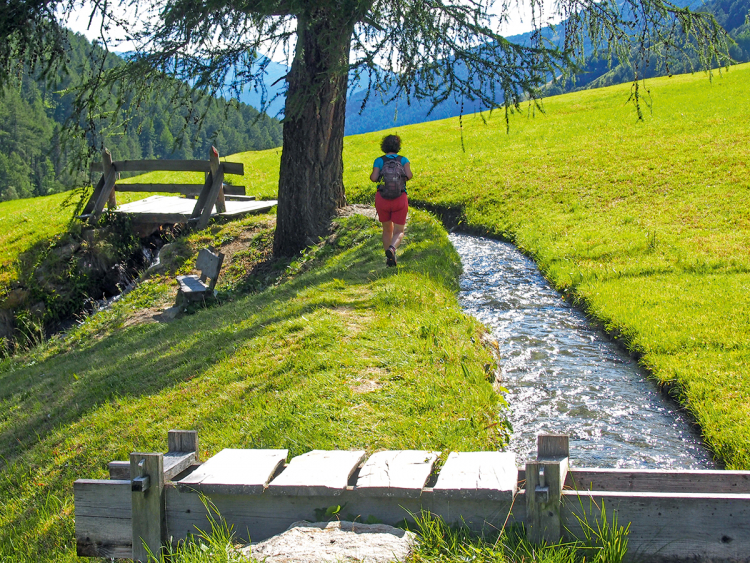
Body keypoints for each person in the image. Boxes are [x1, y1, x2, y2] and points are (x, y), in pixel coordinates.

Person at [370, 134, 413, 267]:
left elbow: (373, 178)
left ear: (384, 146)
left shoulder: (379, 160)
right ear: (398, 146)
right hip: (400, 197)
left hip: (382, 198)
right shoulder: (404, 160)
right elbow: (409, 175)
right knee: (399, 231)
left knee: (387, 229)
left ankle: (389, 259)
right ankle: (392, 249)